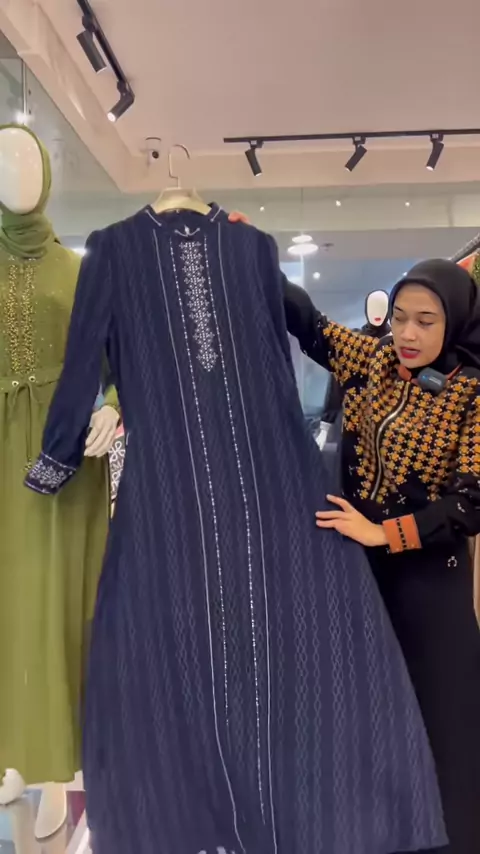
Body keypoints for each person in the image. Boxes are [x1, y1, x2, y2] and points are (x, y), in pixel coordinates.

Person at [25, 204, 446, 854]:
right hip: (176, 486)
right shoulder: (113, 251)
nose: (410, 331)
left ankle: (290, 812)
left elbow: (274, 370)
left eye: (426, 320)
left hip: (263, 477)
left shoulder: (254, 251)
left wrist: (54, 461)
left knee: (285, 643)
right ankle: (200, 816)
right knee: (171, 644)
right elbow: (87, 361)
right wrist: (57, 454)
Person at [284, 257, 480, 854]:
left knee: (441, 721)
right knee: (365, 717)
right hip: (362, 576)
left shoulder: (472, 392)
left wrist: (384, 533)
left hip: (429, 580)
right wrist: (250, 253)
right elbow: (310, 324)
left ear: (454, 321)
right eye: (399, 318)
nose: (408, 333)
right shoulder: (373, 361)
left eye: (426, 320)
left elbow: (470, 504)